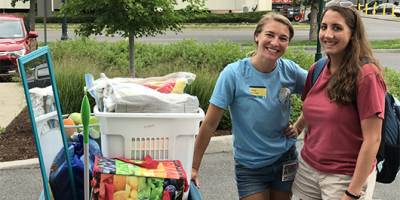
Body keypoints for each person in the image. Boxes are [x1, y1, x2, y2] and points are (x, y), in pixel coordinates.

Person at [191, 13, 307, 200]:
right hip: (250, 167)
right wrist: (194, 167)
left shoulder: (290, 71)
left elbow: (320, 92)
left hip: (285, 159)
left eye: (283, 38)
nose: (275, 42)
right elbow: (210, 124)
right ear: (257, 36)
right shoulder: (233, 74)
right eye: (270, 35)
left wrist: (300, 125)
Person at [291, 0, 387, 199]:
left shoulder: (366, 75)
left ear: (353, 35)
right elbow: (313, 106)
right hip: (308, 170)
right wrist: (298, 126)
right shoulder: (317, 69)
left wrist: (352, 192)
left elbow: (372, 139)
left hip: (345, 177)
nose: (328, 34)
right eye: (324, 27)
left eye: (337, 28)